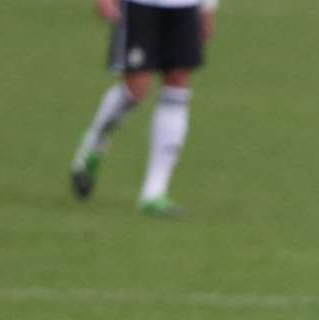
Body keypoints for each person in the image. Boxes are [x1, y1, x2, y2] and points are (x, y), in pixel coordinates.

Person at [69, 0, 218, 216]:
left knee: (177, 84)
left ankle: (154, 192)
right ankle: (94, 141)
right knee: (136, 91)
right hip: (141, 4)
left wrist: (208, 8)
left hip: (186, 6)